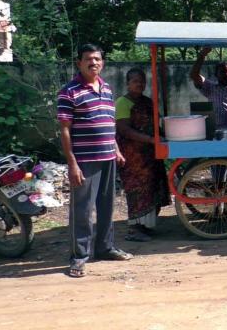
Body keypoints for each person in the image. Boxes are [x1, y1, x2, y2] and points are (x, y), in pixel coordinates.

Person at [57, 43, 132, 278]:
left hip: (108, 157)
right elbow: (65, 130)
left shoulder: (107, 88)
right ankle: (79, 256)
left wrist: (116, 148)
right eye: (88, 59)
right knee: (82, 210)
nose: (94, 63)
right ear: (79, 62)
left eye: (97, 59)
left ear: (103, 62)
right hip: (85, 160)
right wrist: (72, 163)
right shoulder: (69, 91)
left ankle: (105, 248)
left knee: (107, 207)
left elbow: (109, 124)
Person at [114, 68, 171, 242]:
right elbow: (124, 129)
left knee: (153, 188)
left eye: (142, 81)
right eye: (135, 81)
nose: (140, 84)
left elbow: (157, 123)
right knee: (137, 190)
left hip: (151, 154)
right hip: (133, 156)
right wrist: (149, 139)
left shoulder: (147, 102)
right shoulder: (122, 103)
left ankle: (145, 226)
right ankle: (134, 229)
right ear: (128, 83)